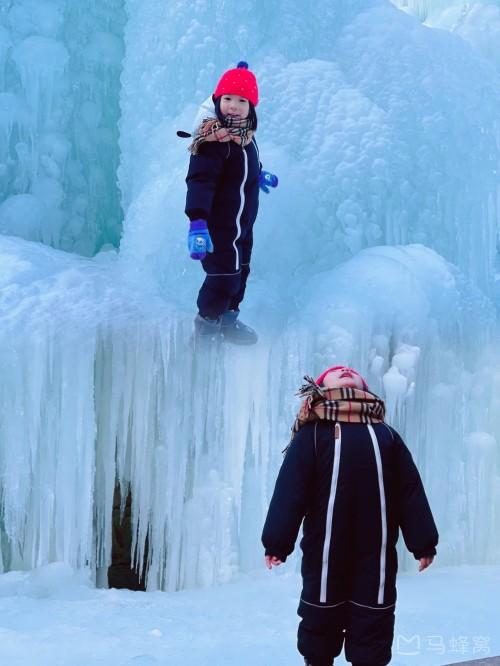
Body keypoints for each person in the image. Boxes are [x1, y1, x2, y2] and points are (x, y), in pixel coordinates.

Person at [262, 365, 438, 666]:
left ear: (365, 389)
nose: (345, 370)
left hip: (377, 552)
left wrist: (423, 542)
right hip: (325, 550)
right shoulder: (312, 435)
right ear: (319, 389)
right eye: (336, 371)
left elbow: (409, 490)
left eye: (351, 370)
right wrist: (277, 541)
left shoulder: (387, 436)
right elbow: (291, 489)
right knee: (320, 614)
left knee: (374, 618)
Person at [184, 61, 277, 345]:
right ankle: (206, 326)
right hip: (218, 227)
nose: (233, 106)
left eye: (241, 100)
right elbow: (200, 182)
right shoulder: (212, 140)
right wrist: (198, 223)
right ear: (216, 100)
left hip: (242, 226)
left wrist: (260, 175)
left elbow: (242, 169)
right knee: (223, 277)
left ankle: (228, 320)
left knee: (241, 273)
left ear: (251, 107)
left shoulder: (246, 139)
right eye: (227, 99)